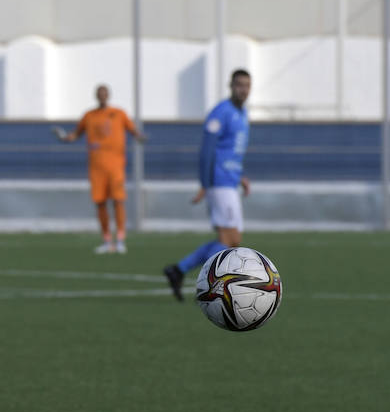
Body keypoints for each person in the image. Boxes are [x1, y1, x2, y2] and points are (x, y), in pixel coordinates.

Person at [163, 69, 252, 300]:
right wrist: (205, 183)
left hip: (230, 181)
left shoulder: (243, 114)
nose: (243, 89)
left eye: (247, 85)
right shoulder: (221, 112)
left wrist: (240, 176)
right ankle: (210, 287)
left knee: (232, 241)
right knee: (229, 240)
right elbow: (207, 150)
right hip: (218, 182)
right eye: (239, 84)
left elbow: (231, 150)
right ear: (230, 85)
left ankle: (179, 270)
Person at [53, 84, 145, 254]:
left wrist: (140, 136)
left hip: (115, 166)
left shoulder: (119, 113)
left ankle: (120, 240)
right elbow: (76, 134)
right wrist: (64, 137)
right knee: (100, 202)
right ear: (96, 96)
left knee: (118, 201)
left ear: (108, 95)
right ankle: (107, 240)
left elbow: (133, 130)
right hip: (96, 168)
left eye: (104, 93)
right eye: (99, 94)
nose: (102, 96)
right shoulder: (89, 116)